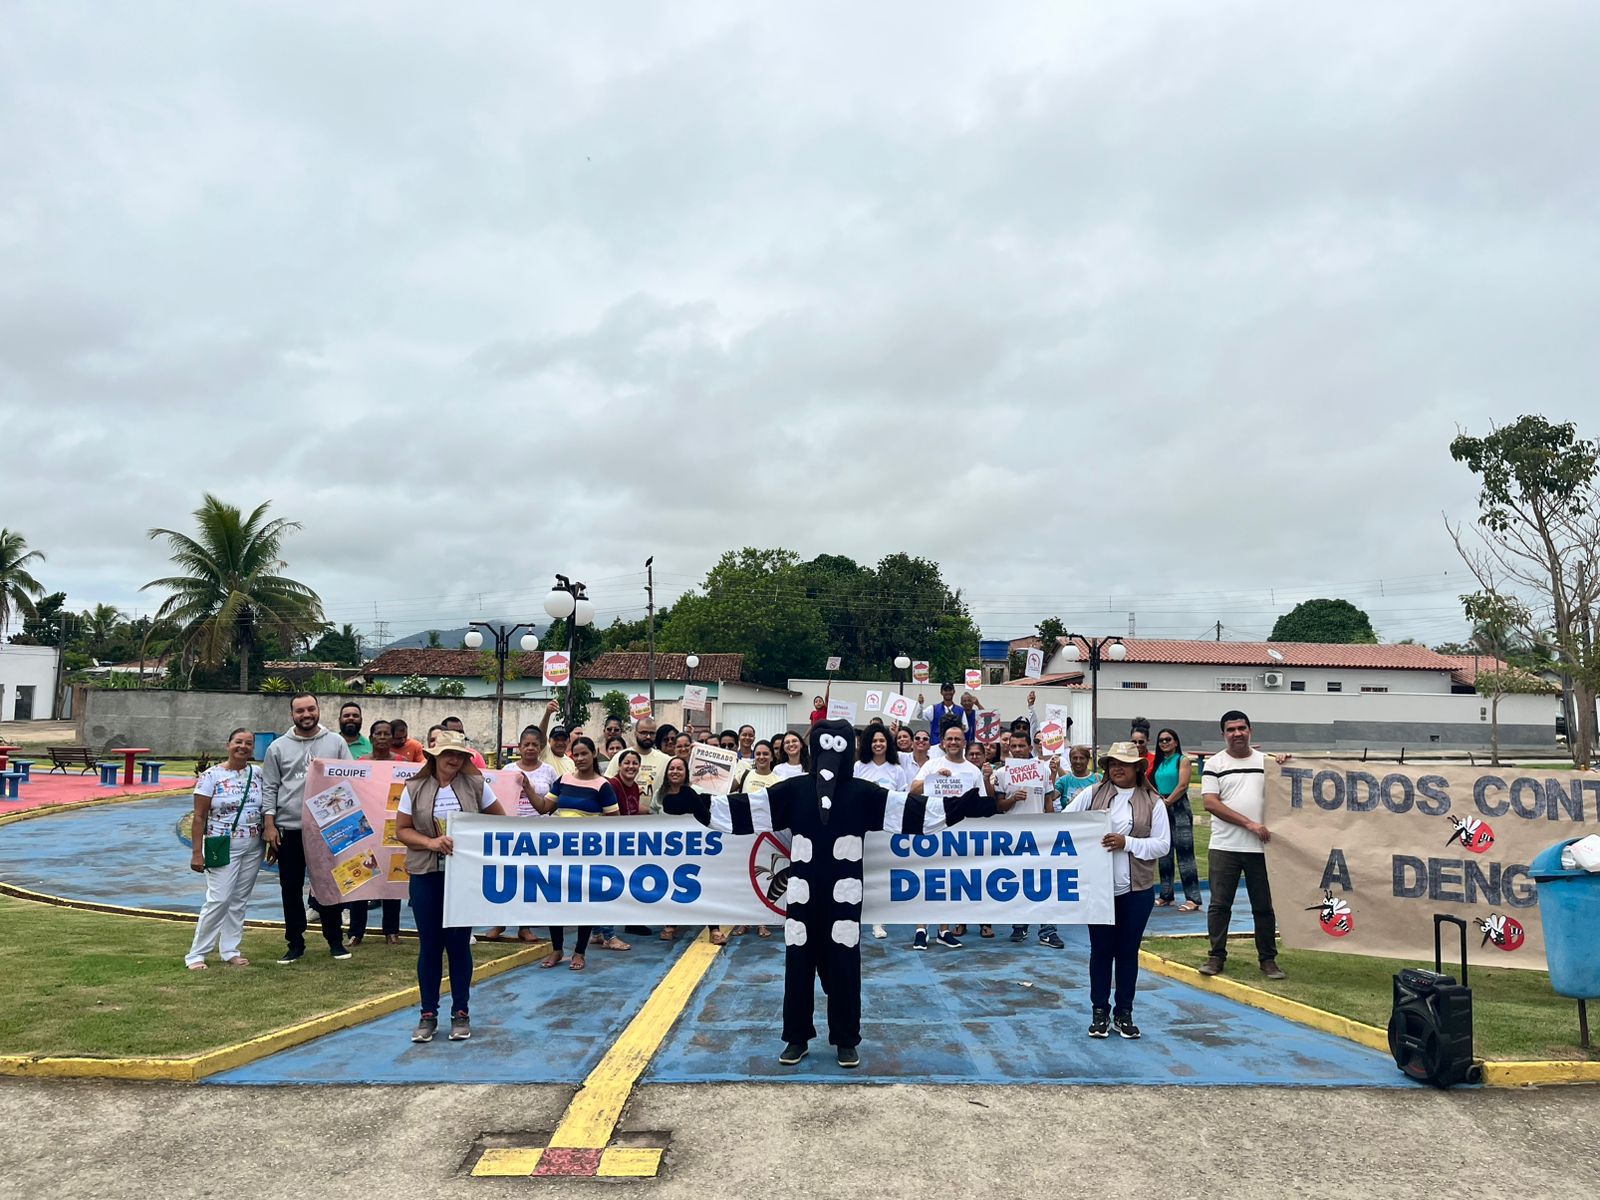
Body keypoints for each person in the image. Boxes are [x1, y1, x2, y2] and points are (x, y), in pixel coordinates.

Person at [395, 730, 509, 1043]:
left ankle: (461, 1012)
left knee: (458, 945)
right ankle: (427, 1014)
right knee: (430, 945)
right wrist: (431, 842)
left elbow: (501, 821)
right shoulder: (415, 788)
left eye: (459, 755)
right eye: (448, 754)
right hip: (426, 873)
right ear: (434, 756)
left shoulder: (476, 784)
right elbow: (402, 831)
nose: (454, 760)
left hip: (463, 875)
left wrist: (473, 841)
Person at [1065, 742, 1171, 1039]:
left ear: (1138, 767)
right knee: (1100, 951)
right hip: (1098, 889)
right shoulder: (1093, 794)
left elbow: (1163, 844)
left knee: (1127, 952)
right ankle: (1099, 1011)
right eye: (1112, 763)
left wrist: (1128, 843)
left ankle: (1124, 1012)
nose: (1116, 768)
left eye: (1123, 763)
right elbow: (1064, 822)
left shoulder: (1153, 802)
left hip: (1136, 889)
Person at [261, 693, 354, 963]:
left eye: (310, 709)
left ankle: (335, 941)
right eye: (300, 711)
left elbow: (350, 780)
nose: (306, 715)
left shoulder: (335, 742)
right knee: (290, 887)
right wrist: (269, 825)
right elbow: (270, 787)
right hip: (290, 829)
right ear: (292, 714)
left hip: (327, 828)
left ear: (319, 710)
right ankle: (295, 942)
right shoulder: (277, 748)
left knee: (328, 885)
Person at [1200, 710, 1288, 980]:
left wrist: (1285, 762)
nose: (1237, 733)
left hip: (1261, 848)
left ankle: (1268, 959)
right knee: (1219, 905)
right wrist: (1249, 824)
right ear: (1223, 734)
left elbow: (1291, 785)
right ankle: (1216, 957)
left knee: (1263, 906)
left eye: (1241, 728)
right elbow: (1210, 802)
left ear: (1251, 730)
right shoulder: (1215, 763)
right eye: (1231, 729)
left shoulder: (1267, 762)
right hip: (1225, 846)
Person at [535, 736, 622, 970]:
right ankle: (557, 950)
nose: (580, 758)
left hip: (588, 856)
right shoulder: (563, 780)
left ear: (594, 754)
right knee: (555, 901)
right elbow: (544, 808)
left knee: (584, 903)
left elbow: (614, 823)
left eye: (585, 753)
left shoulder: (603, 786)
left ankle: (579, 952)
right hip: (560, 853)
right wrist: (525, 787)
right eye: (576, 754)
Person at [185, 727, 266, 970]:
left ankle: (230, 949)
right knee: (218, 899)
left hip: (253, 845)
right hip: (221, 845)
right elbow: (199, 817)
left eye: (248, 743)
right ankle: (197, 954)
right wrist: (197, 852)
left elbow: (267, 807)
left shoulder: (258, 774)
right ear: (228, 744)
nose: (243, 747)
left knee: (239, 900)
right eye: (238, 742)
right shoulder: (211, 776)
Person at [908, 719, 993, 949]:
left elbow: (980, 802)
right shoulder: (931, 764)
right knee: (927, 879)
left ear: (964, 742)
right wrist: (932, 778)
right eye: (949, 739)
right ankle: (920, 929)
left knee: (950, 881)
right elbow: (912, 791)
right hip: (931, 828)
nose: (953, 742)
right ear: (943, 743)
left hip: (959, 832)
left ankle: (944, 930)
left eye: (958, 739)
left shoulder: (972, 770)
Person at [482, 725, 558, 945]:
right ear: (519, 747)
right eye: (527, 744)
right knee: (506, 878)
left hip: (539, 833)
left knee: (529, 881)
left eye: (535, 744)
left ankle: (525, 927)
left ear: (541, 747)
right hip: (511, 832)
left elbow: (554, 802)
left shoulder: (549, 771)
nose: (531, 748)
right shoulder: (507, 771)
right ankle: (500, 922)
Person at [994, 728, 1065, 949]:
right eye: (1013, 746)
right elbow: (998, 806)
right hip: (1012, 836)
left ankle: (1048, 930)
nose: (1017, 749)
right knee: (1017, 882)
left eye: (1021, 746)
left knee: (1044, 883)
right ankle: (1019, 925)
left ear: (1029, 747)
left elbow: (1048, 803)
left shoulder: (1042, 770)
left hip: (1039, 835)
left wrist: (1053, 829)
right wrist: (1013, 799)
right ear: (1008, 748)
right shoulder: (1001, 773)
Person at [854, 727, 905, 940]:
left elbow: (902, 798)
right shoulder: (858, 766)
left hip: (887, 828)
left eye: (882, 740)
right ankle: (855, 920)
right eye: (874, 741)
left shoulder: (896, 770)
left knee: (881, 876)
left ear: (888, 743)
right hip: (862, 827)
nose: (878, 744)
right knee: (858, 875)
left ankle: (878, 922)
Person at [1152, 728, 1202, 913]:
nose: (1164, 743)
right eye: (1161, 741)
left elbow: (1182, 785)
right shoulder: (1160, 763)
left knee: (1185, 853)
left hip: (1178, 806)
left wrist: (1168, 802)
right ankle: (1166, 895)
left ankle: (1193, 898)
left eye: (1168, 739)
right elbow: (1155, 784)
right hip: (1162, 805)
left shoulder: (1183, 760)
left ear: (1175, 742)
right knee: (1164, 853)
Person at [606, 717, 671, 813]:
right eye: (643, 733)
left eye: (652, 733)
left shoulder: (666, 760)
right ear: (635, 733)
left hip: (656, 819)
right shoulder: (620, 757)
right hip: (626, 819)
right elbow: (608, 788)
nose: (648, 736)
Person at [1054, 745, 1099, 809]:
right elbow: (1051, 797)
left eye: (1082, 758)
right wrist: (1053, 773)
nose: (1078, 761)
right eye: (1075, 758)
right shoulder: (1064, 780)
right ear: (1070, 760)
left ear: (1088, 760)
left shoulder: (1098, 779)